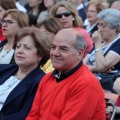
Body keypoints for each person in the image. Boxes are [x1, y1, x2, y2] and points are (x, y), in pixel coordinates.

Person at [26, 28, 106, 120]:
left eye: (63, 49)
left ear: (80, 53)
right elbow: (33, 115)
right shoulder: (47, 78)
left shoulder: (86, 84)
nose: (55, 53)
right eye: (53, 47)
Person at [0, 27, 51, 120]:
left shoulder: (40, 82)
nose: (19, 51)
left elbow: (22, 116)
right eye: (18, 46)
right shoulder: (3, 69)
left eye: (27, 48)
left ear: (40, 55)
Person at [83, 8, 120, 92]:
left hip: (106, 87)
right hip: (90, 82)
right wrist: (95, 67)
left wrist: (97, 44)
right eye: (98, 25)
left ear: (114, 28)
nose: (99, 30)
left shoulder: (118, 42)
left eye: (103, 25)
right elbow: (81, 66)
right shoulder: (100, 42)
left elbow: (102, 67)